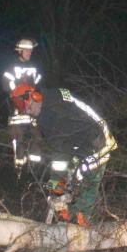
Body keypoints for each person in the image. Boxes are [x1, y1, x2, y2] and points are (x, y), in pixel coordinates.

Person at [11, 84, 117, 225]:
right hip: (77, 143)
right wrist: (55, 187)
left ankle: (84, 219)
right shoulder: (45, 115)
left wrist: (56, 188)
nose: (28, 111)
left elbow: (60, 152)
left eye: (28, 106)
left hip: (98, 140)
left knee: (87, 175)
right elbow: (60, 148)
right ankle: (69, 215)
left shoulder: (56, 104)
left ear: (35, 96)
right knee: (68, 178)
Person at [2, 37, 44, 172]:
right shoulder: (12, 67)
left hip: (32, 111)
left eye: (30, 51)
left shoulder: (34, 68)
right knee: (19, 139)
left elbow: (38, 86)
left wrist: (36, 97)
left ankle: (34, 169)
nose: (29, 53)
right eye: (26, 50)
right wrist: (19, 92)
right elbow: (6, 85)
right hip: (17, 110)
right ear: (20, 51)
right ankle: (19, 168)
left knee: (37, 137)